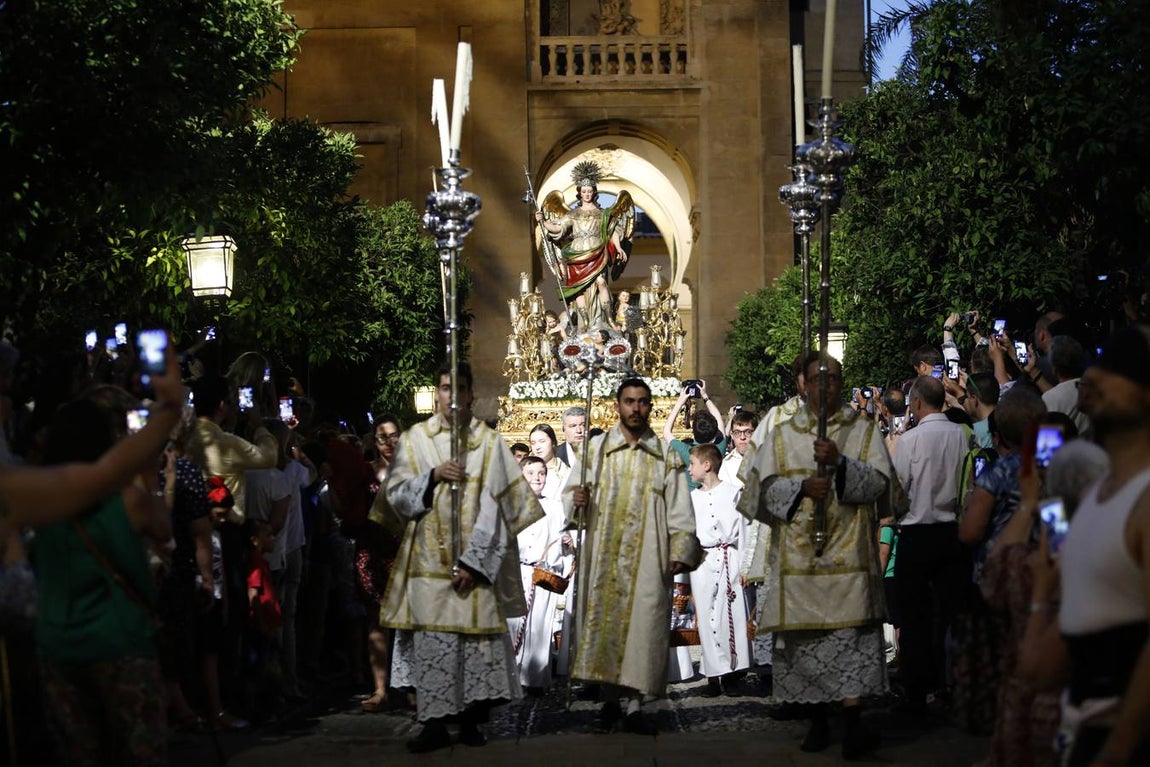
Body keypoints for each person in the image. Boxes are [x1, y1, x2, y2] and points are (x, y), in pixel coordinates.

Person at [738, 353, 900, 759]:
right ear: (803, 384)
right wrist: (800, 490)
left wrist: (841, 464)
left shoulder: (862, 430)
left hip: (849, 563)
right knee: (807, 646)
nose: (825, 387)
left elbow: (883, 486)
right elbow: (758, 495)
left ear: (840, 384)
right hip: (800, 564)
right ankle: (817, 720)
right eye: (817, 379)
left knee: (850, 642)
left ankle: (853, 720)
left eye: (833, 379)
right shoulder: (781, 433)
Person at [381, 363, 543, 752]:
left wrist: (475, 562)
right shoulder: (416, 440)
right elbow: (396, 499)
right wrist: (432, 476)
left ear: (471, 394)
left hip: (475, 566)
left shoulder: (490, 444)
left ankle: (471, 720)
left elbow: (500, 507)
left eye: (460, 388)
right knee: (433, 646)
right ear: (437, 392)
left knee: (473, 648)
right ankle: (434, 722)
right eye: (444, 388)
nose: (452, 396)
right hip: (427, 567)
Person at [1022, 324, 1150, 766]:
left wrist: (1117, 748)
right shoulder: (1089, 498)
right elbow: (1038, 669)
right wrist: (1042, 595)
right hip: (1080, 732)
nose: (1094, 378)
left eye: (1122, 367)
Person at [564, 377, 702, 734]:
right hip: (604, 559)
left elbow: (679, 506)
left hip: (648, 558)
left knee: (642, 631)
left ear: (650, 406)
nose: (635, 408)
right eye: (629, 401)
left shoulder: (665, 457)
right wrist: (576, 502)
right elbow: (572, 499)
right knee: (606, 628)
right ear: (617, 406)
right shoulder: (595, 452)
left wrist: (680, 548)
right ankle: (610, 701)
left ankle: (635, 705)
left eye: (642, 402)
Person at [890, 376, 970, 714]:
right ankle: (946, 682)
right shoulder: (961, 437)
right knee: (947, 613)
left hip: (917, 533)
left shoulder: (909, 440)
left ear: (918, 403)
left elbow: (897, 490)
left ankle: (916, 688)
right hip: (951, 533)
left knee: (914, 617)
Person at [535, 160, 634, 329]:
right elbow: (558, 228)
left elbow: (614, 232)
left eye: (589, 191)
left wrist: (618, 248)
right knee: (578, 291)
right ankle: (585, 323)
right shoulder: (572, 214)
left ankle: (608, 319)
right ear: (579, 193)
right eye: (584, 191)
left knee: (601, 282)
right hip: (577, 255)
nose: (587, 193)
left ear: (594, 192)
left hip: (598, 254)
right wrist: (543, 221)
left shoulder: (604, 214)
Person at [687, 443, 749, 695]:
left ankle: (733, 672)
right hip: (702, 562)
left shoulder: (735, 493)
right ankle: (713, 673)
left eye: (692, 464)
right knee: (707, 614)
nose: (688, 469)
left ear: (707, 465)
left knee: (729, 614)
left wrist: (745, 566)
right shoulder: (691, 498)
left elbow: (744, 531)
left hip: (729, 558)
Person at [508, 456, 571, 692]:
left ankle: (535, 678)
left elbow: (563, 538)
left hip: (543, 574)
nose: (537, 477)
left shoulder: (554, 507)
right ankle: (513, 675)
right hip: (518, 571)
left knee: (540, 627)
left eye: (541, 473)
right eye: (531, 473)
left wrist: (567, 542)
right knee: (515, 625)